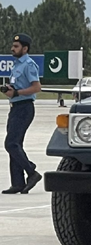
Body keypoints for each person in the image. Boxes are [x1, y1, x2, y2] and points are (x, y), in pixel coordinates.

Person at [2, 34, 43, 194]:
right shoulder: (17, 65)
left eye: (16, 46)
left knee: (11, 144)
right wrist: (10, 91)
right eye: (13, 45)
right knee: (15, 144)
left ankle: (31, 172)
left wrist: (17, 92)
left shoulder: (28, 64)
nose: (13, 48)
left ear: (25, 49)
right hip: (15, 107)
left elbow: (36, 87)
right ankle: (17, 183)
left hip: (24, 107)